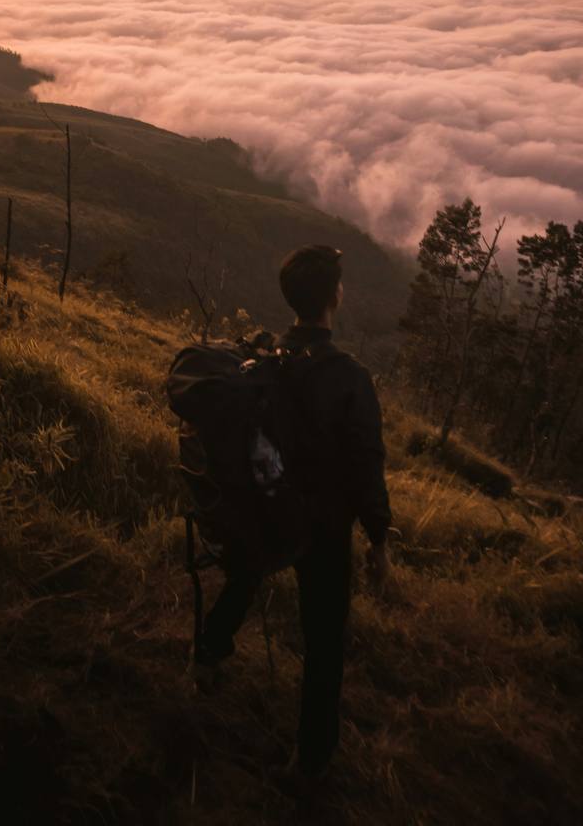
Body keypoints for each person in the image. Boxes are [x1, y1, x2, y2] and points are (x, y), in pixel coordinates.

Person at [196, 244, 391, 787]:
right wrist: (378, 536)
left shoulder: (263, 362)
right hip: (325, 528)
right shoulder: (349, 377)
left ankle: (208, 655)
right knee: (325, 641)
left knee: (248, 571)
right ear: (334, 298)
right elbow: (366, 462)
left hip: (270, 508)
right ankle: (312, 759)